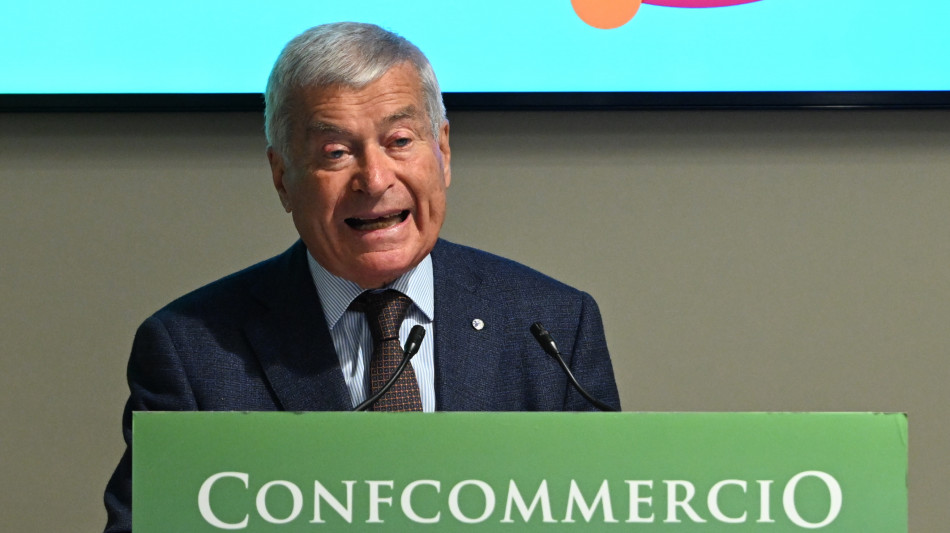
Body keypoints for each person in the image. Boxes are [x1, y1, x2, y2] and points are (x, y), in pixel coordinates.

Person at [102, 21, 619, 532]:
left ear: (442, 152)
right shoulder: (191, 351)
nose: (373, 179)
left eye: (400, 140)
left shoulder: (552, 326)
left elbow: (605, 514)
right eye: (336, 153)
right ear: (282, 178)